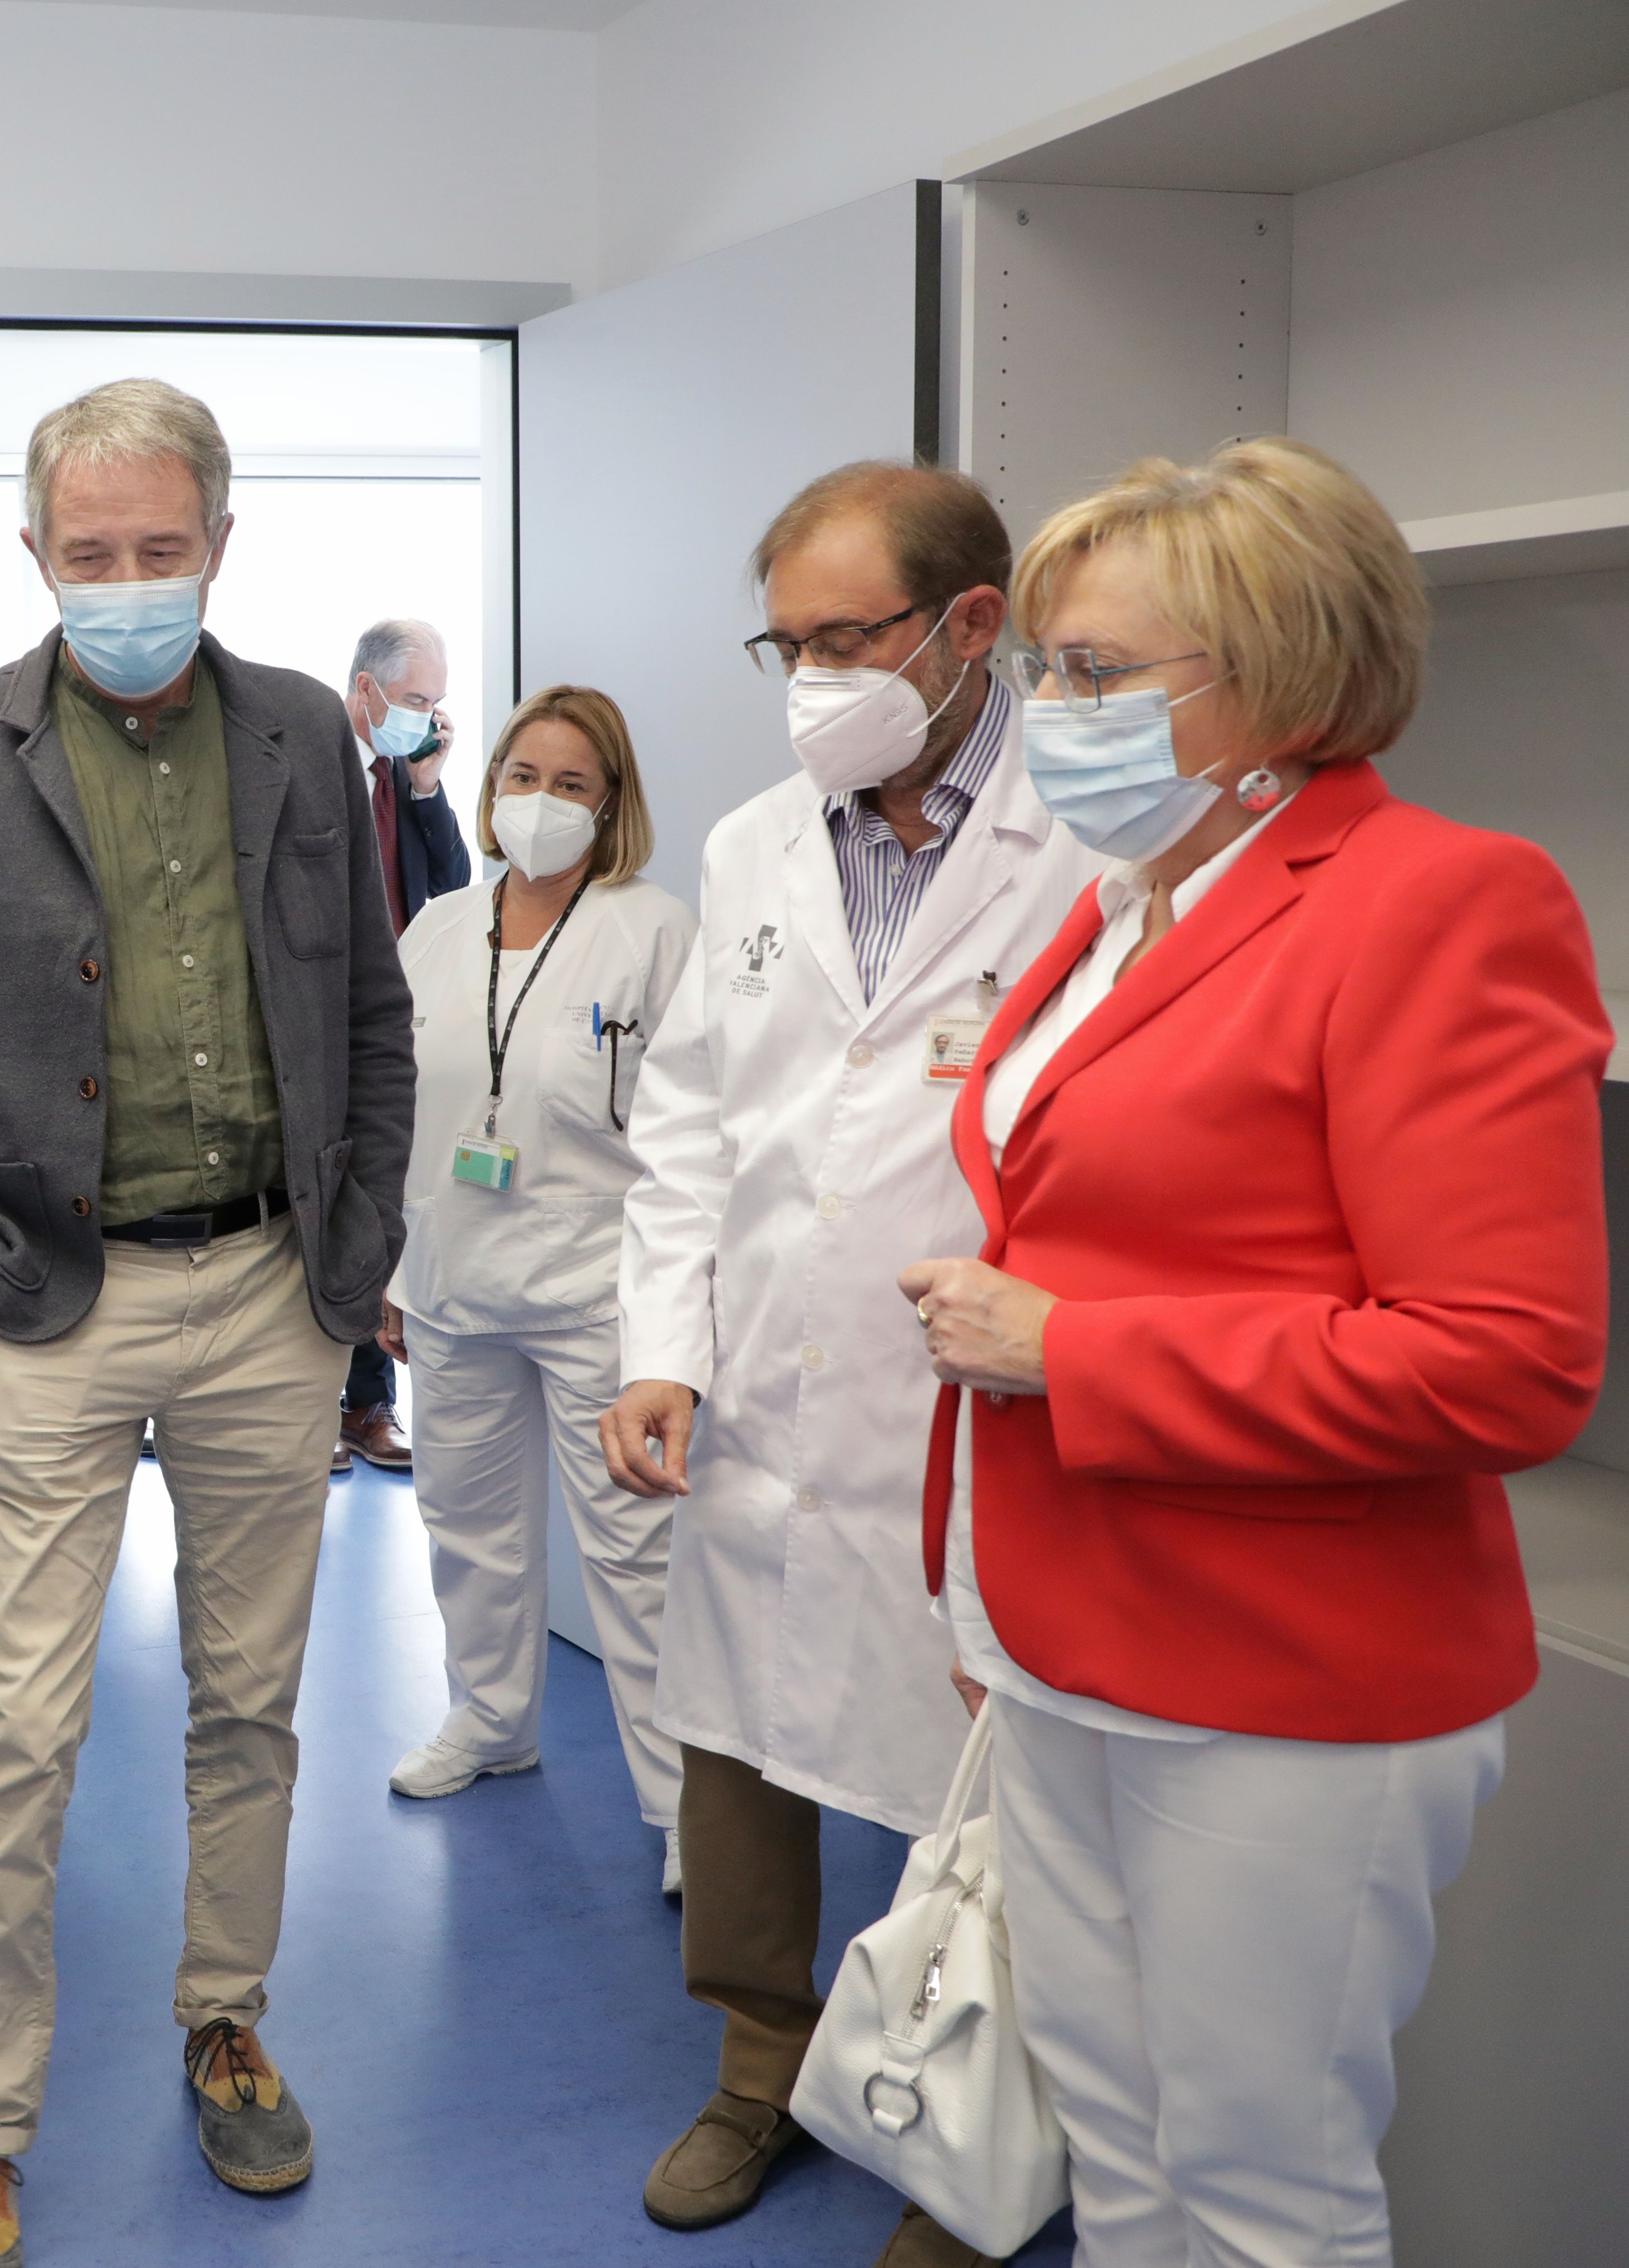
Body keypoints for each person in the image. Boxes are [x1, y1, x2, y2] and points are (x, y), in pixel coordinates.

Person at [898, 437, 1604, 2268]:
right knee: (1118, 2146)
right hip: (1062, 1626)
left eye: (1095, 673)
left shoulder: (1437, 899)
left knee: (1261, 2186)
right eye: (1038, 667)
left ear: (1281, 672)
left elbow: (1505, 1362)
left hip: (1282, 1670)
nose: (1046, 709)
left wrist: (1078, 1350)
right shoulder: (1125, 901)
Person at [0, 378, 413, 2267]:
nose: (128, 583)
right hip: (43, 1303)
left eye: (161, 551)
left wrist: (356, 1253)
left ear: (219, 547)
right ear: (35, 557)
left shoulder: (304, 738)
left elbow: (375, 1022)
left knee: (251, 1707)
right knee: (15, 1733)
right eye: (91, 556)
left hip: (269, 1291)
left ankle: (224, 2020)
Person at [597, 462, 1101, 2268]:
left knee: (987, 1807)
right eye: (785, 642)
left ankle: (964, 2154)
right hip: (754, 1412)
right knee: (738, 1764)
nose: (810, 677)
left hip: (968, 1413)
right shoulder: (750, 844)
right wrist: (660, 1346)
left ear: (971, 625)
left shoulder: (1092, 846)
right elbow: (688, 1133)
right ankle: (756, 2066)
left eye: (845, 637)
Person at [377, 687, 693, 1889]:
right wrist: (392, 1273)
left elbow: (693, 1125)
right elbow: (397, 1112)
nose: (539, 802)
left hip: (598, 1291)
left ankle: (678, 1809)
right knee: (465, 1523)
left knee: (633, 1553)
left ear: (609, 804)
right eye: (521, 775)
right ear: (489, 785)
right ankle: (491, 1719)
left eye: (570, 784)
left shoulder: (652, 929)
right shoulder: (438, 929)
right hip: (453, 1276)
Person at [335, 617, 471, 1476]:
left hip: (395, 1027)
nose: (426, 716)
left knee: (379, 1207)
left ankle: (364, 1403)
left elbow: (455, 889)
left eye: (437, 704)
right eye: (416, 700)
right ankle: (316, 1404)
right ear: (367, 690)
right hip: (324, 1023)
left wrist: (426, 787)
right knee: (323, 1213)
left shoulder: (402, 779)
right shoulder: (314, 768)